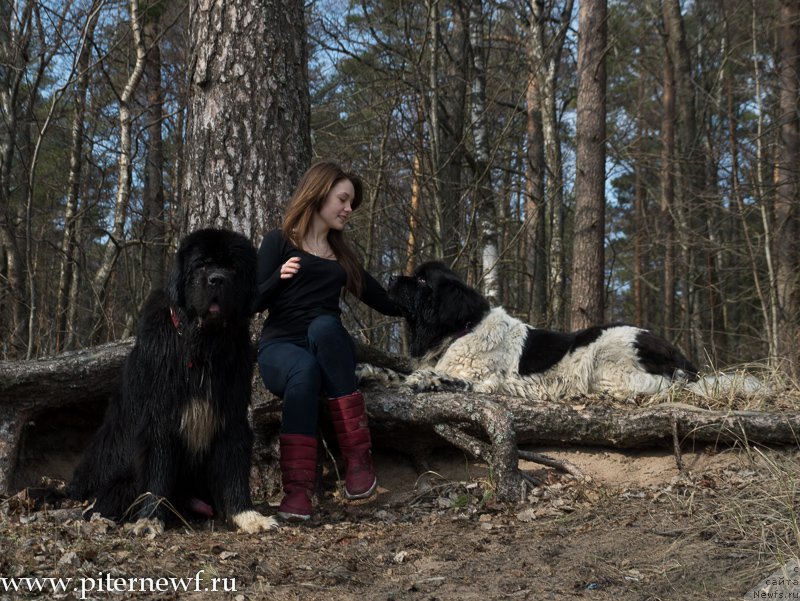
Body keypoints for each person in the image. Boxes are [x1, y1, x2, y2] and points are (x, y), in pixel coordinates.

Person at [252, 161, 401, 522]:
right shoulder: (278, 242)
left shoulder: (343, 258)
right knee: (302, 368)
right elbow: (251, 302)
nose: (349, 210)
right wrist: (277, 279)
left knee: (323, 327)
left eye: (351, 203)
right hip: (280, 349)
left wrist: (434, 299)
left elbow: (385, 302)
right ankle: (298, 492)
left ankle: (357, 463)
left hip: (329, 347)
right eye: (343, 200)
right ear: (319, 193)